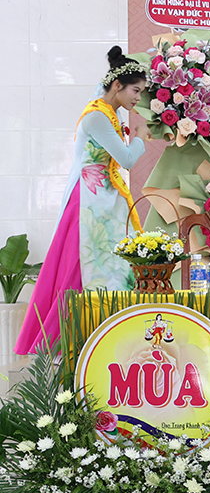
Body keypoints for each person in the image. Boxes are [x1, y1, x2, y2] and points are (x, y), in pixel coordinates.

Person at [15, 47, 149, 354]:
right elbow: (127, 159)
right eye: (136, 91)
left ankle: (106, 337)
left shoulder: (107, 111)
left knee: (109, 264)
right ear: (118, 85)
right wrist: (140, 136)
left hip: (103, 197)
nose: (138, 99)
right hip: (90, 200)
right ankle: (75, 340)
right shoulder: (97, 117)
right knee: (87, 264)